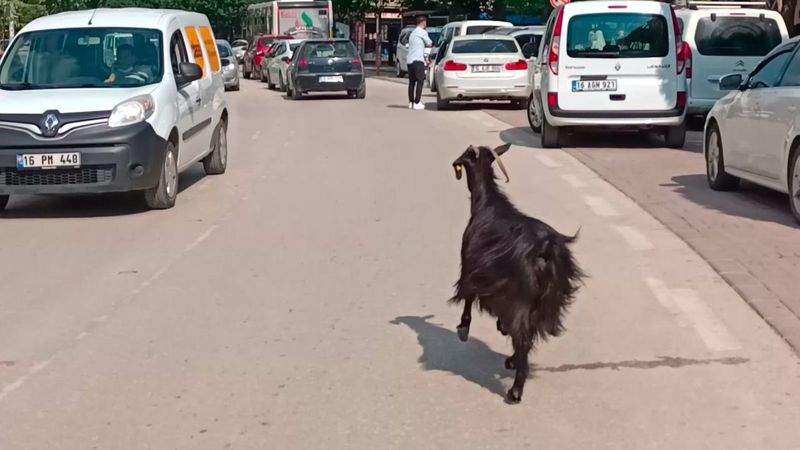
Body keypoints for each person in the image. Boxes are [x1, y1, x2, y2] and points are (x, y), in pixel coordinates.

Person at [406, 16, 432, 110]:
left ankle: (411, 102)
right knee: (420, 81)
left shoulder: (412, 33)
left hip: (410, 61)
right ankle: (417, 102)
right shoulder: (422, 32)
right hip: (418, 60)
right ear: (423, 23)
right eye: (425, 23)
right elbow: (429, 43)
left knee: (411, 83)